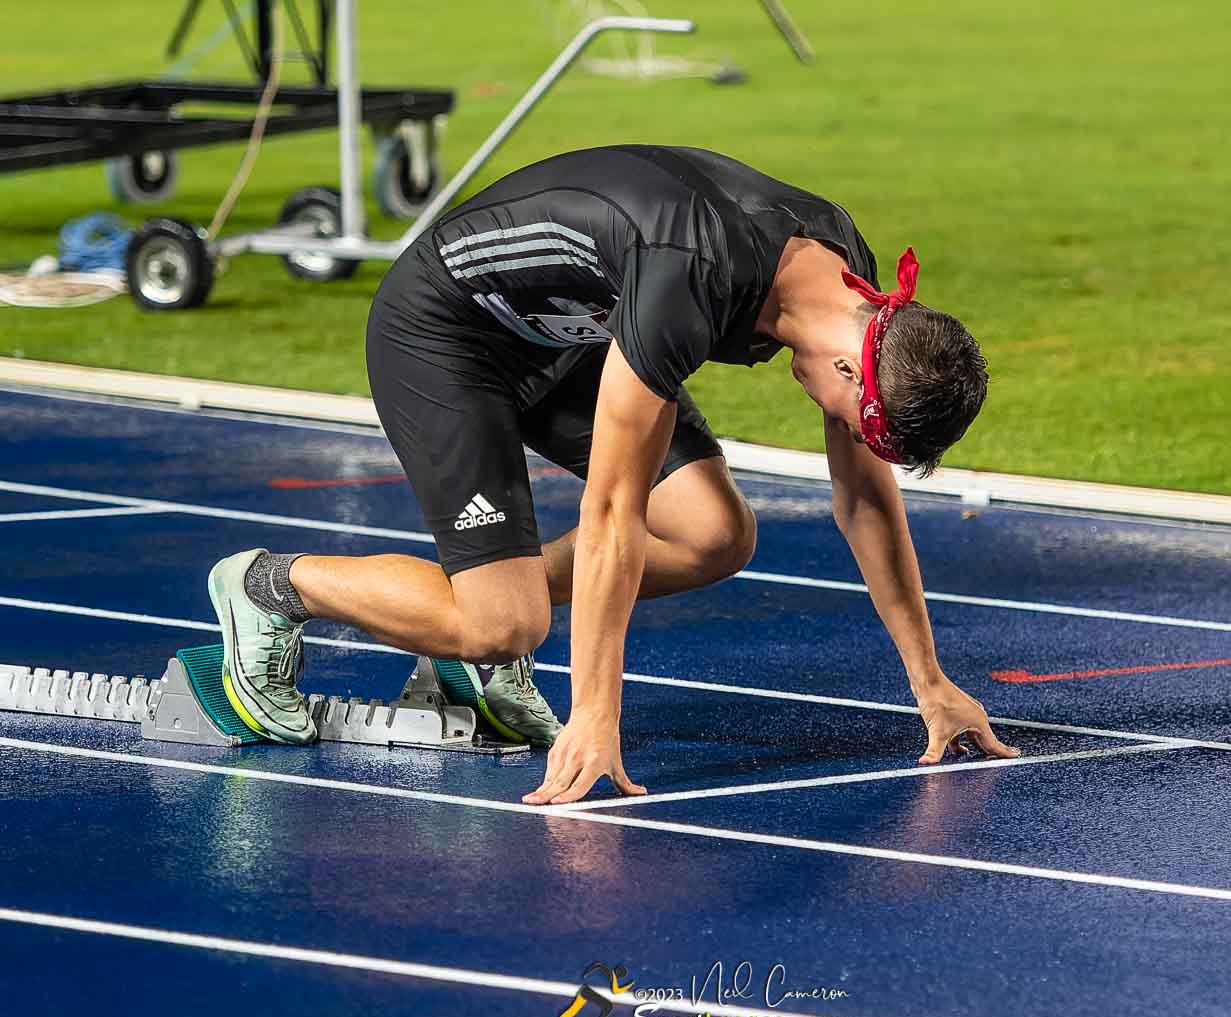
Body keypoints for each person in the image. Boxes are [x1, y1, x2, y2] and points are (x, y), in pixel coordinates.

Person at [206, 144, 1020, 805]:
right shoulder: (691, 278)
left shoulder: (858, 289)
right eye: (854, 423)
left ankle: (474, 621)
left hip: (568, 333)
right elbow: (612, 514)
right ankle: (271, 586)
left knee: (714, 536)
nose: (845, 436)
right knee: (504, 626)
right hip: (447, 337)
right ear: (852, 369)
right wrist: (594, 713)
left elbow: (865, 497)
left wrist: (932, 683)